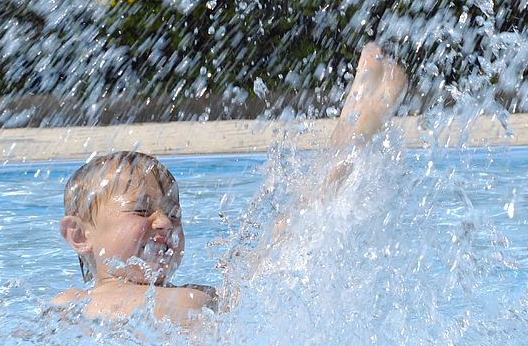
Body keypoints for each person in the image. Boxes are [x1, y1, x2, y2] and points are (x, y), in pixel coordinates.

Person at [51, 42, 408, 326]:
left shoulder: (200, 295)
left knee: (290, 231)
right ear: (80, 236)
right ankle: (356, 126)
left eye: (174, 216)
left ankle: (353, 129)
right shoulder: (72, 304)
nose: (164, 224)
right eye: (143, 210)